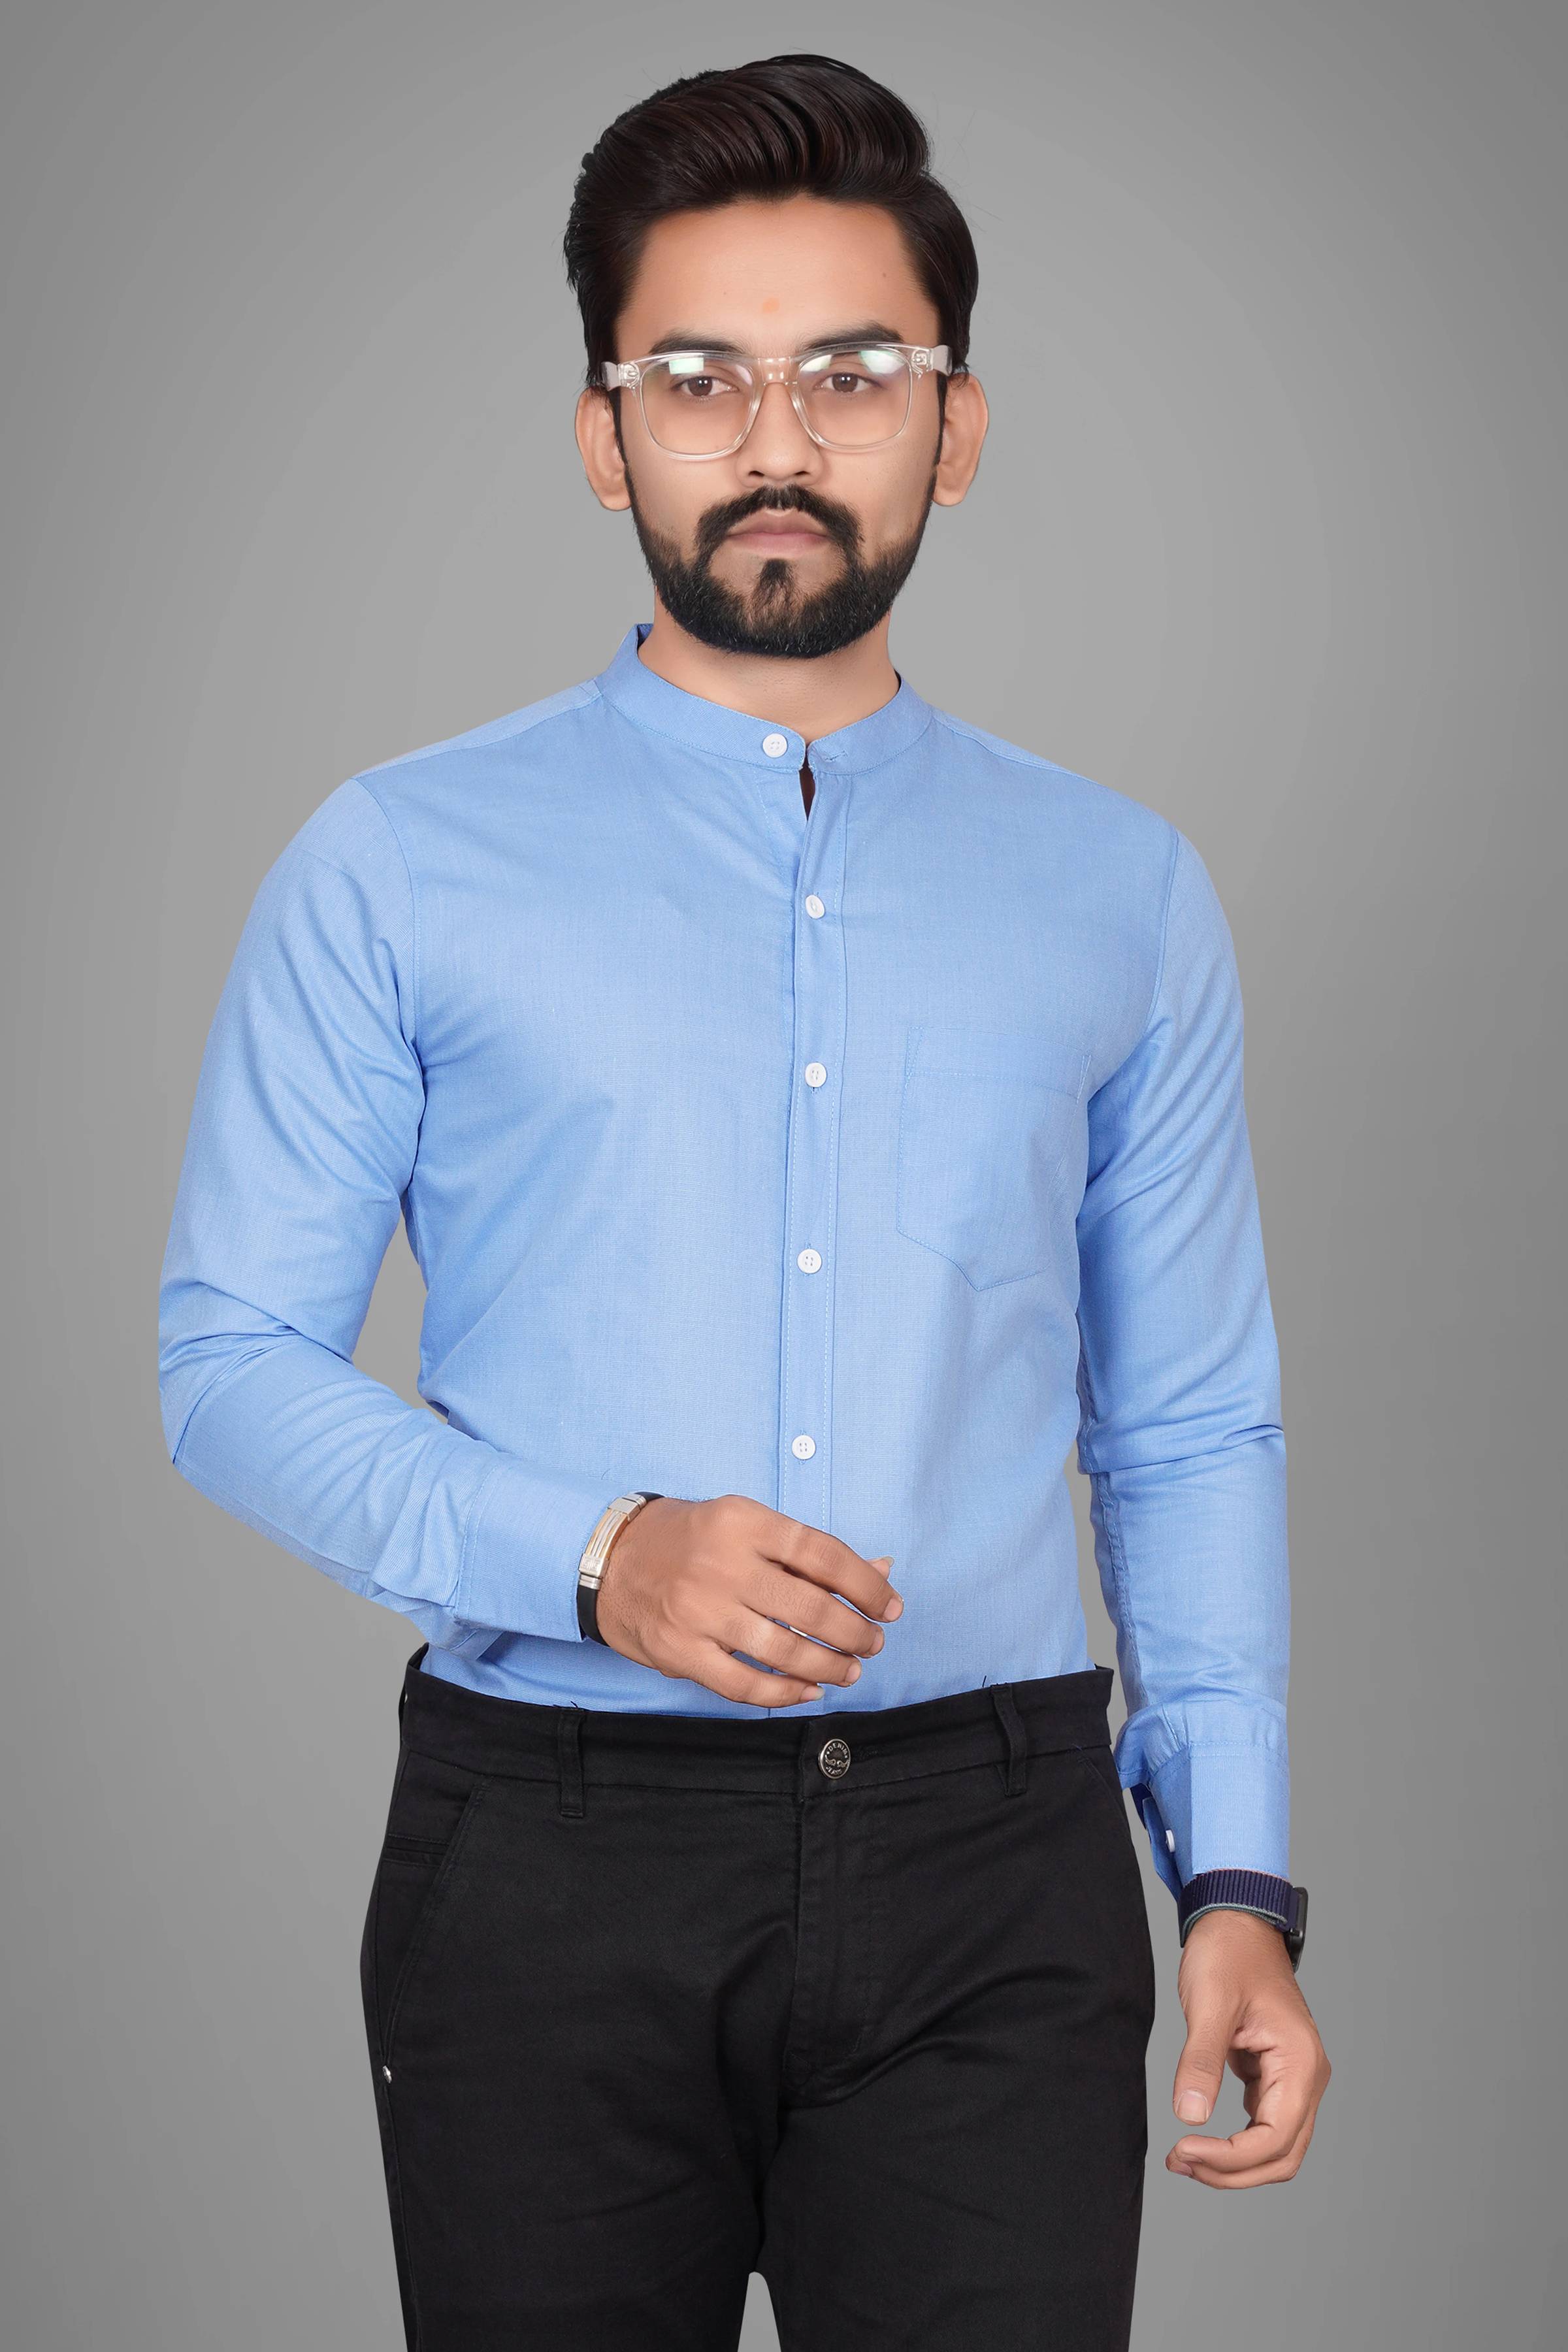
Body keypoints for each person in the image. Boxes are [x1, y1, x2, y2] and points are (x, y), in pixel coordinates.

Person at [157, 50, 1330, 2352]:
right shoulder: (396, 864)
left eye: (851, 375)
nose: (776, 440)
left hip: (998, 1872)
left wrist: (1240, 1881)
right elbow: (228, 1367)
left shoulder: (1121, 892)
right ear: (607, 437)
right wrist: (599, 1554)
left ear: (953, 427)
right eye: (697, 378)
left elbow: (1189, 1420)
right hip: (552, 1858)